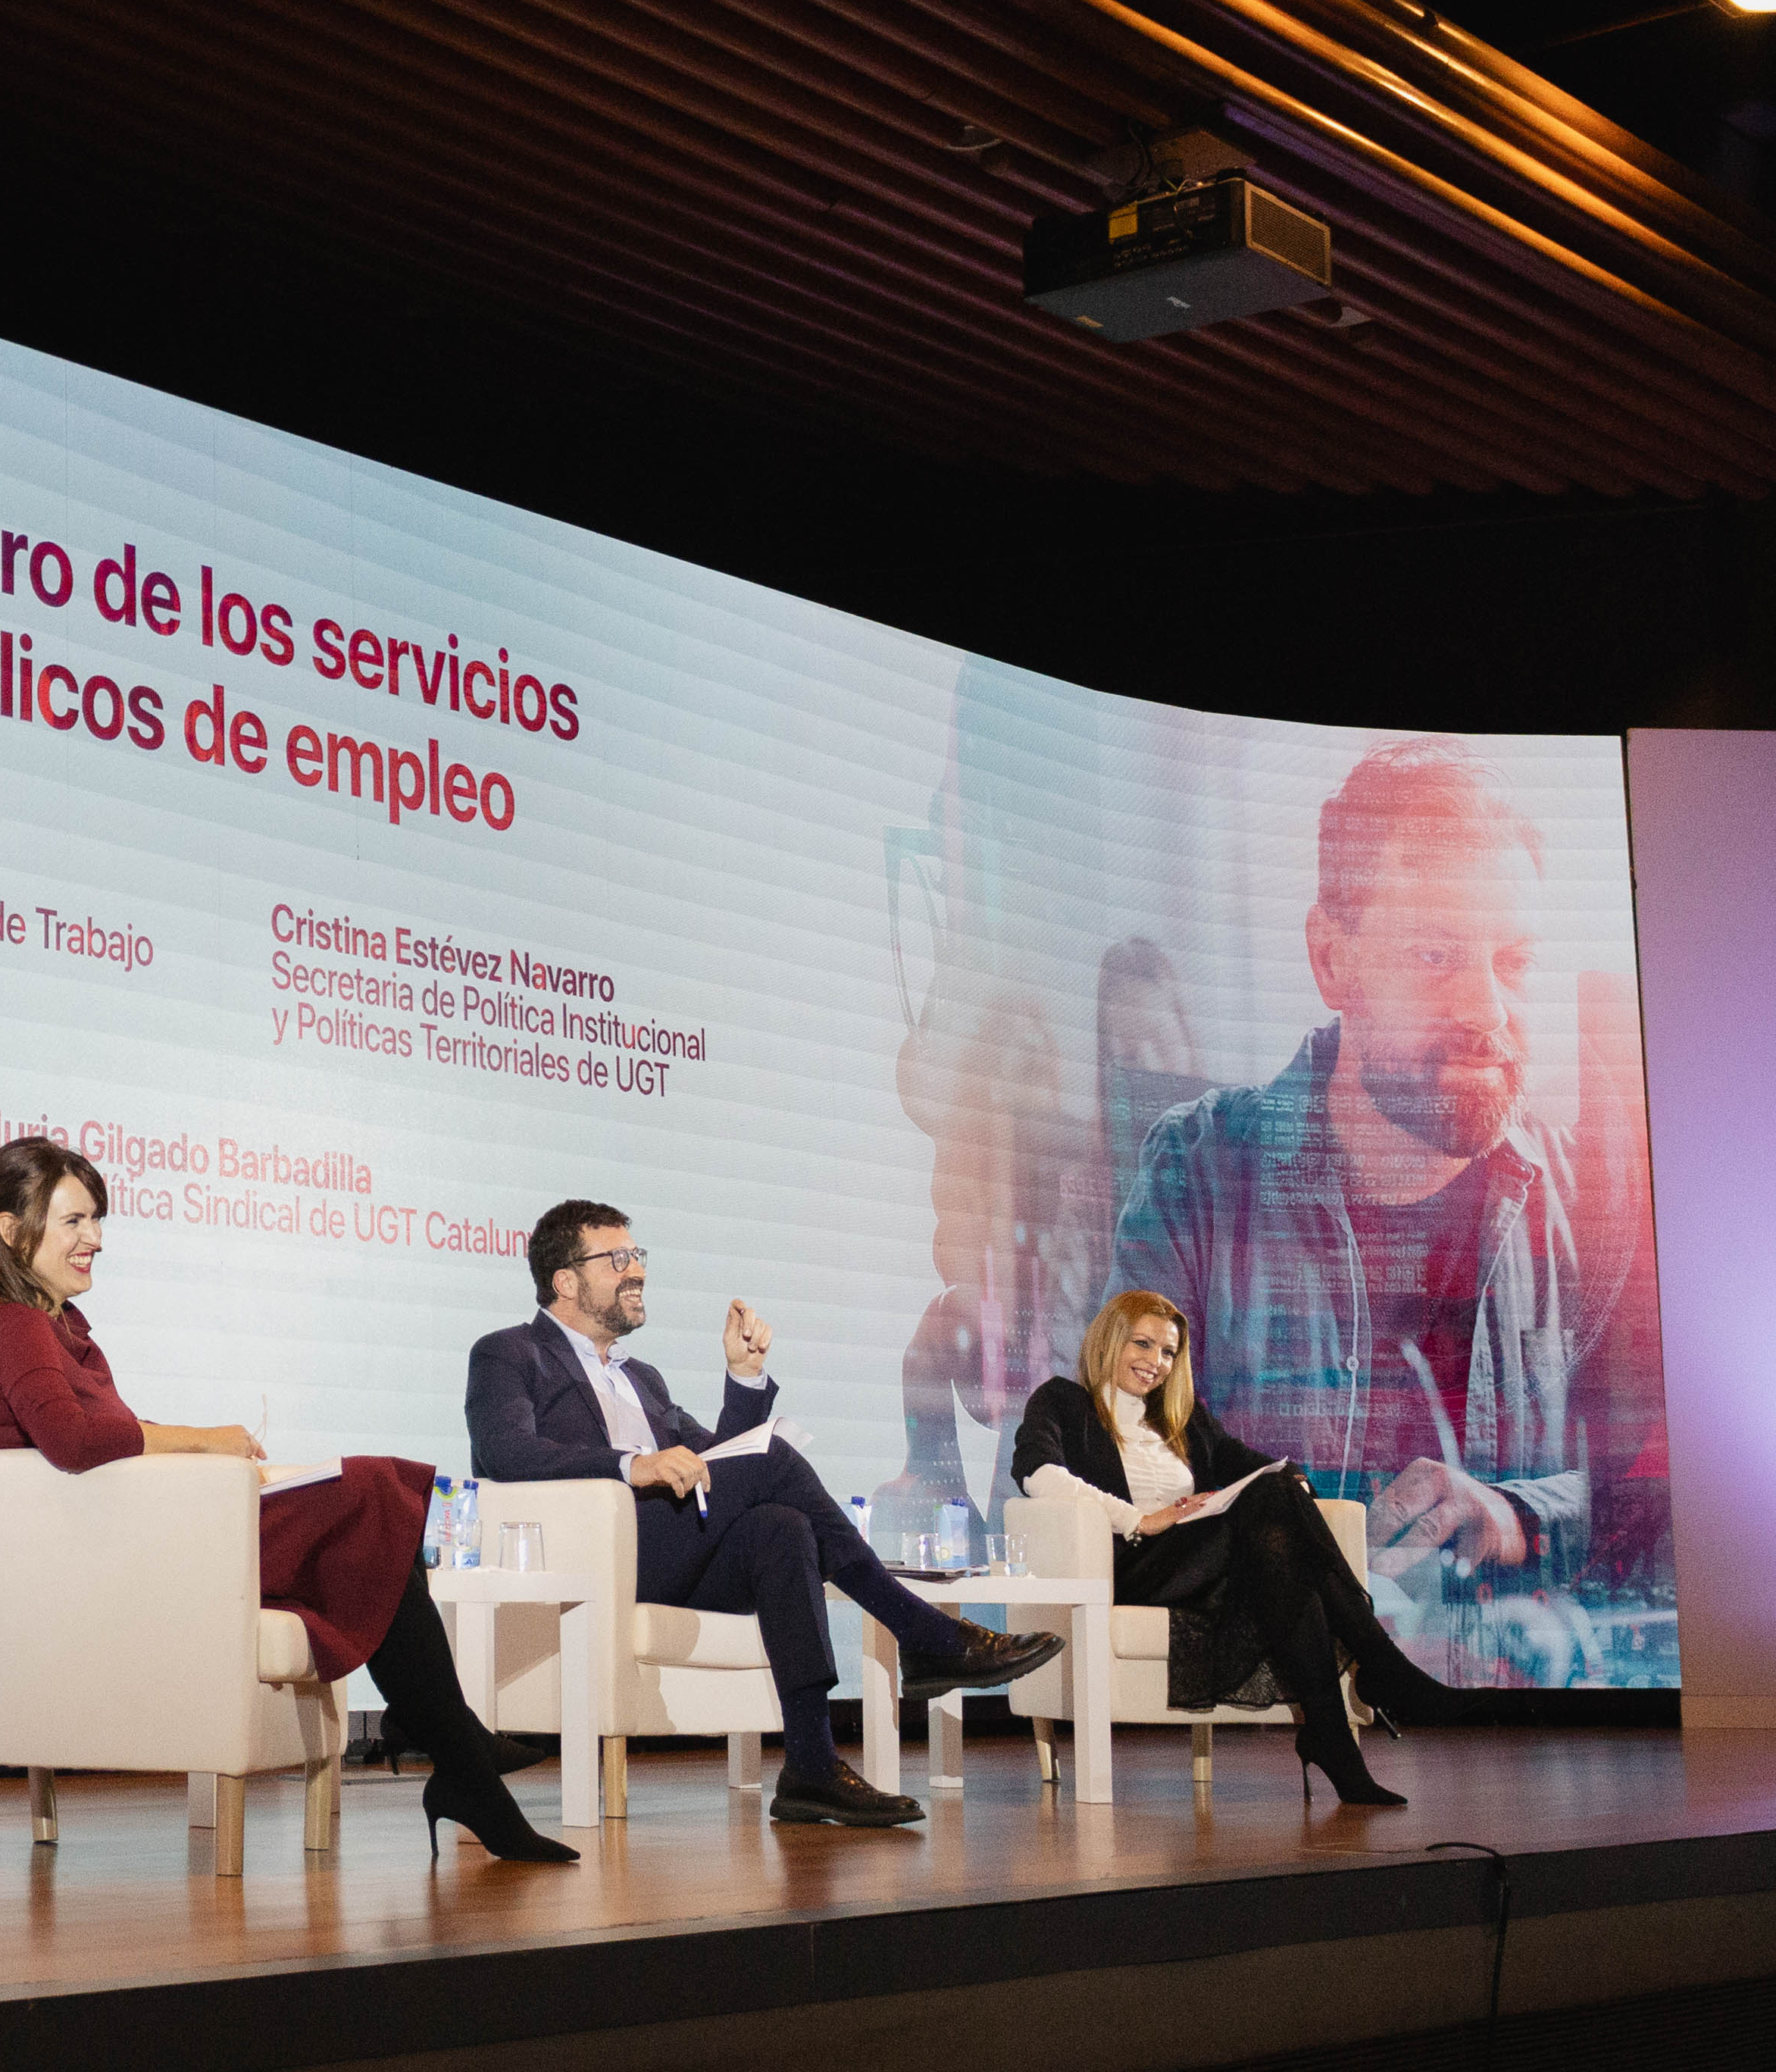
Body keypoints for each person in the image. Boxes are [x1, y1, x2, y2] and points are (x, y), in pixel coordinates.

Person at [1111, 739, 1622, 1636]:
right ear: (1331, 959)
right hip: (1261, 1727)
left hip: (1513, 1729)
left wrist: (1518, 1515)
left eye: (1514, 961)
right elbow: (1100, 1475)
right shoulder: (1198, 1176)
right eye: (1434, 954)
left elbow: (1656, 1487)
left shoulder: (1585, 1194)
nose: (1487, 1010)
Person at [0, 1138, 575, 1865]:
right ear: (12, 1229)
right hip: (119, 1564)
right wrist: (207, 1440)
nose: (95, 1239)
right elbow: (79, 1442)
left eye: (97, 1219)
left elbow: (101, 1442)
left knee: (372, 1515)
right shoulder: (14, 1324)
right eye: (74, 1222)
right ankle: (458, 1747)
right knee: (373, 1488)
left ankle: (457, 1754)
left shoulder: (53, 1326)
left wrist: (212, 1457)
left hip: (128, 1544)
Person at [464, 1200, 1062, 1828]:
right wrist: (628, 1466)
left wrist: (744, 1379)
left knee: (783, 1526)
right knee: (774, 1458)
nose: (635, 1270)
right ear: (565, 1280)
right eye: (618, 1259)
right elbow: (506, 1451)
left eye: (638, 1256)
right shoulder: (509, 1354)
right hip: (593, 1560)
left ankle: (810, 1762)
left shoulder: (644, 1378)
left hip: (669, 1550)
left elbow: (723, 1461)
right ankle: (923, 1630)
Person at [1012, 1291, 1462, 1809]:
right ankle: (1378, 1661)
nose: (1155, 1363)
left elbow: (1261, 1468)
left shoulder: (1183, 1421)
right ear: (1109, 1338)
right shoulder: (1063, 1401)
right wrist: (1139, 1519)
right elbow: (1037, 1474)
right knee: (1273, 1510)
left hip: (1197, 1565)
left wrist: (1295, 1489)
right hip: (1130, 1567)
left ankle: (1334, 1741)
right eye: (1143, 1343)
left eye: (1167, 1352)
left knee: (1280, 1522)